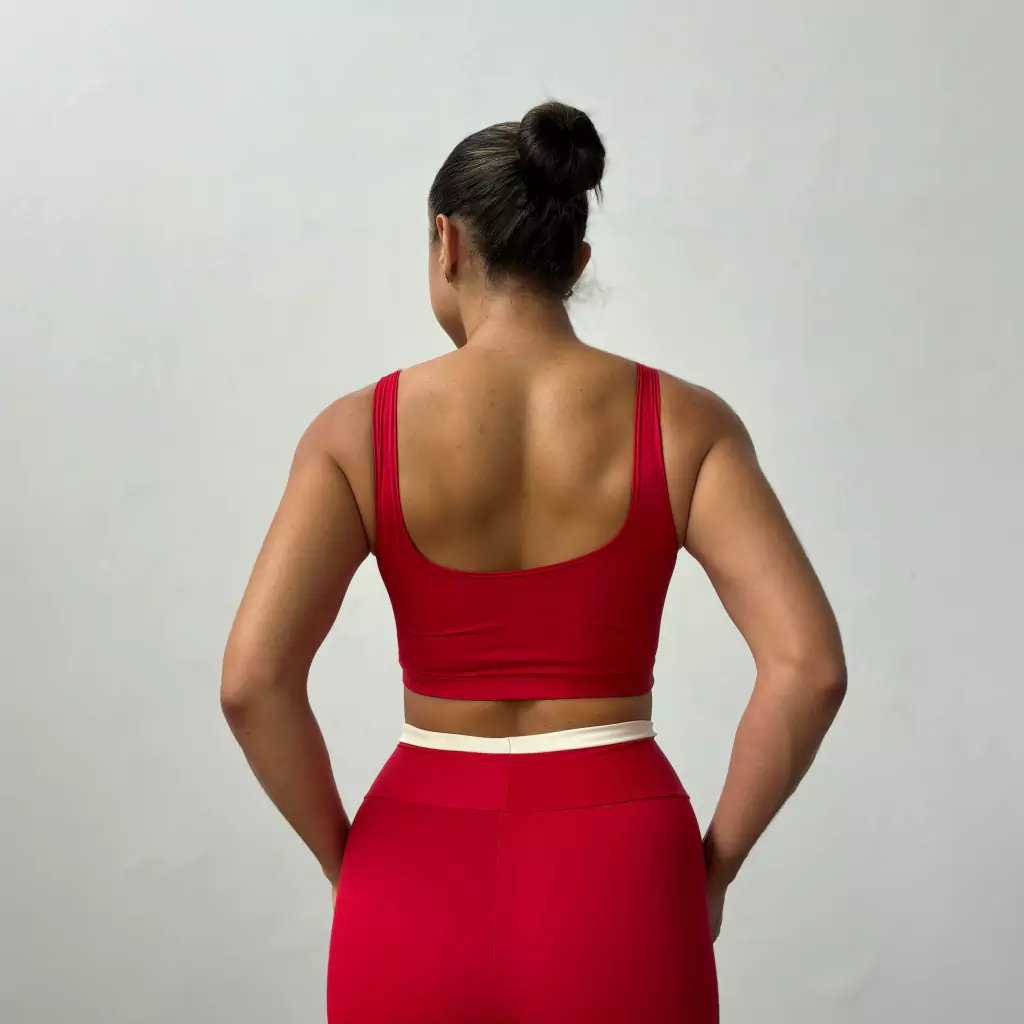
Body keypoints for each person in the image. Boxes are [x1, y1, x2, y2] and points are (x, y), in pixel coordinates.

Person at [220, 100, 847, 1023]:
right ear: (575, 261)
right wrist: (713, 870)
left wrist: (346, 863)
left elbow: (252, 684)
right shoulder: (686, 425)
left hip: (414, 864)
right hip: (623, 867)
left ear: (446, 244)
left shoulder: (353, 433)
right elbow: (809, 668)